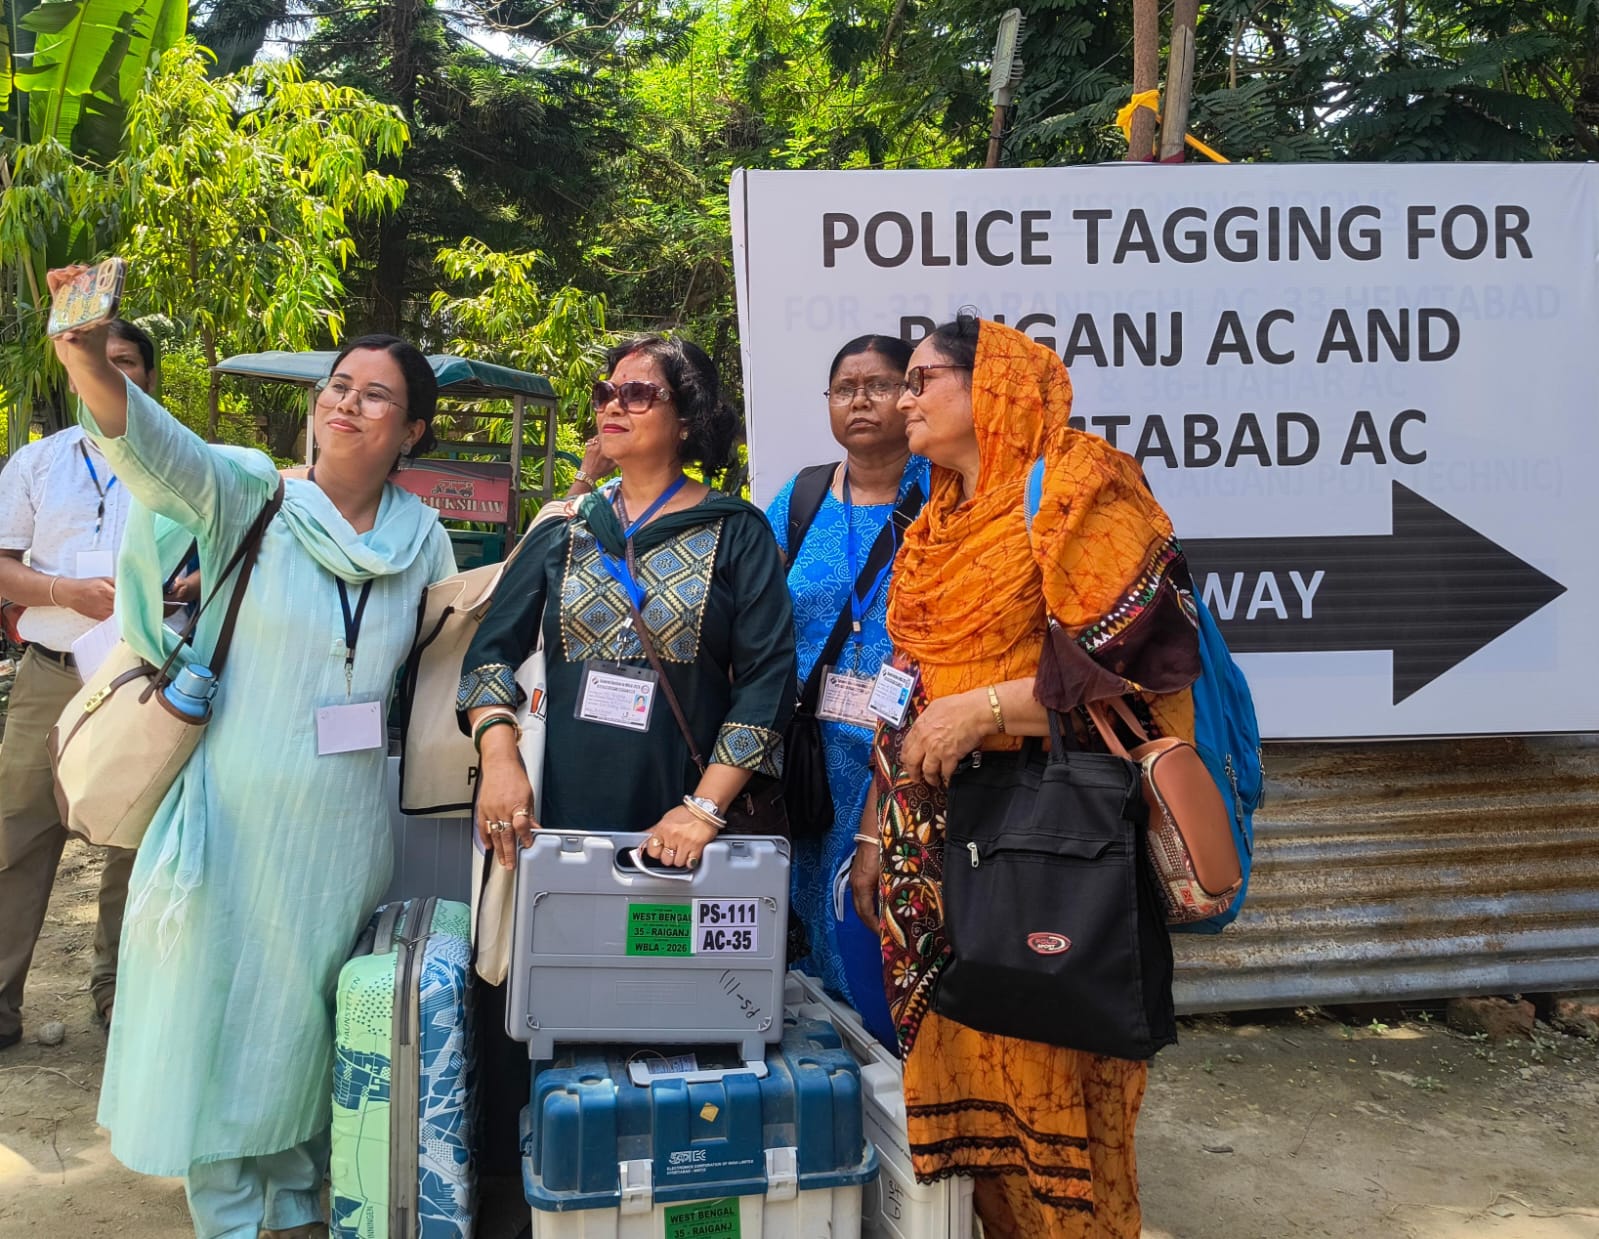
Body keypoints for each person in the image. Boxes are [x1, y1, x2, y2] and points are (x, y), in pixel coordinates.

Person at [47, 264, 457, 1239]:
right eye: (339, 386)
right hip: (231, 821)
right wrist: (81, 342)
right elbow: (148, 445)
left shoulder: (424, 540)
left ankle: (302, 1203)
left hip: (346, 836)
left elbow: (447, 672)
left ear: (413, 433)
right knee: (223, 1016)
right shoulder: (247, 496)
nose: (347, 404)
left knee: (313, 1024)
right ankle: (232, 1218)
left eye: (375, 395)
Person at [851, 315, 1202, 1238]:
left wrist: (989, 710)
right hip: (934, 855)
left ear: (996, 387)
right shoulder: (936, 521)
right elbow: (908, 688)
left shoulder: (1081, 486)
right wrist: (871, 826)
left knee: (1056, 1087)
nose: (903, 398)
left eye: (924, 379)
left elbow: (1144, 654)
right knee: (965, 1102)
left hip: (1046, 844)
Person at [463, 335, 795, 869]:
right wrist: (499, 759)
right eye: (606, 392)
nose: (613, 405)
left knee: (663, 952)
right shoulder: (565, 525)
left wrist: (704, 809)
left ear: (686, 417)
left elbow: (769, 680)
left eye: (639, 393)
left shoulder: (736, 531)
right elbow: (489, 653)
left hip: (681, 821)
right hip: (554, 817)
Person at [0, 319, 159, 1049]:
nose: (110, 371)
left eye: (125, 361)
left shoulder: (176, 464)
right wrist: (65, 592)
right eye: (98, 358)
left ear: (147, 378)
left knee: (138, 842)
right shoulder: (37, 464)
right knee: (19, 836)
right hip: (53, 674)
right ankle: (2, 1002)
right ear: (73, 370)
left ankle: (120, 994)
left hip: (145, 684)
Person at [764, 333, 927, 1046]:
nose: (859, 400)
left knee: (888, 918)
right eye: (843, 388)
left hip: (907, 760)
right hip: (805, 759)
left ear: (912, 395)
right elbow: (754, 612)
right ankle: (829, 1069)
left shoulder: (944, 494)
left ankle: (904, 1071)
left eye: (879, 384)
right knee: (804, 913)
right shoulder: (799, 497)